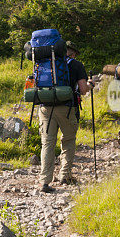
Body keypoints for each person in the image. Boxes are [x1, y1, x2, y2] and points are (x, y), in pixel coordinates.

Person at [37, 40, 92, 192]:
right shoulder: (76, 65)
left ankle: (45, 182)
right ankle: (64, 175)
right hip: (67, 108)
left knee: (47, 143)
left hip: (45, 108)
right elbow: (82, 90)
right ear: (73, 53)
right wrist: (90, 85)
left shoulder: (44, 62)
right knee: (68, 140)